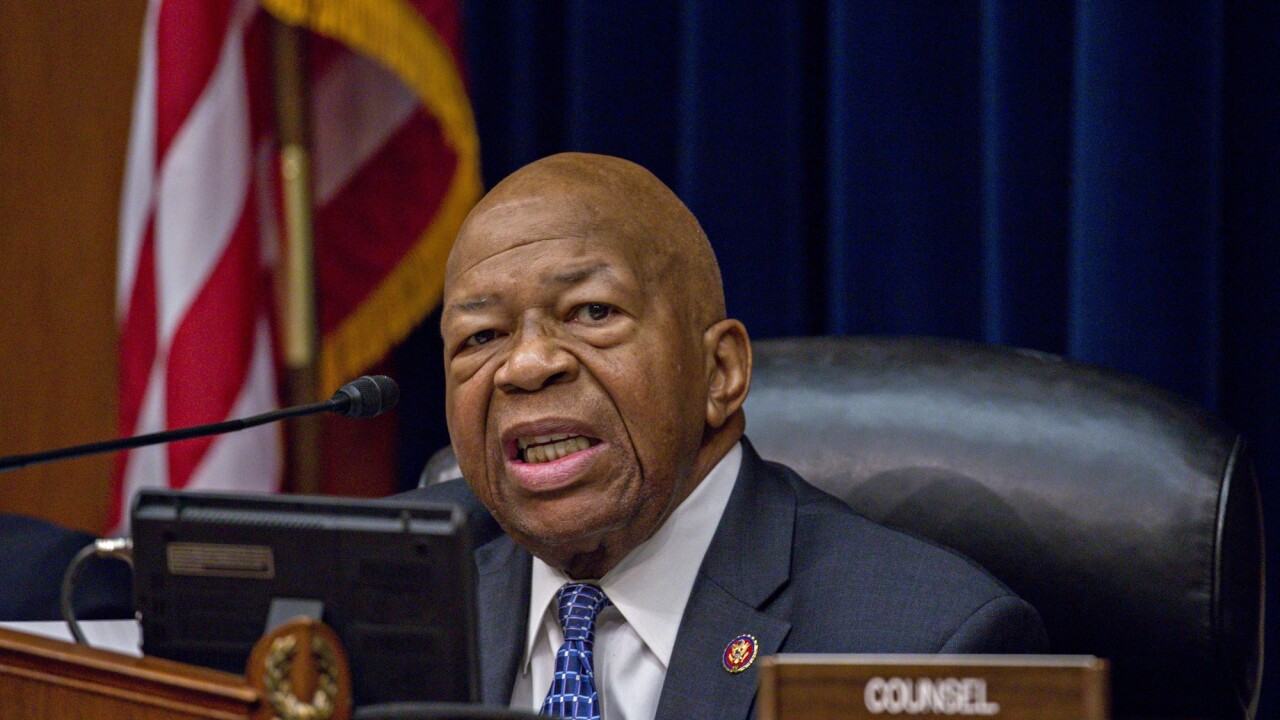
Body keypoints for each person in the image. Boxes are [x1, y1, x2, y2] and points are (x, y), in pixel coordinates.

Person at [404, 152, 1048, 720]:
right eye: (482, 337)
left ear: (721, 372)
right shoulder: (382, 580)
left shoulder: (926, 647)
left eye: (592, 312)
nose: (526, 364)